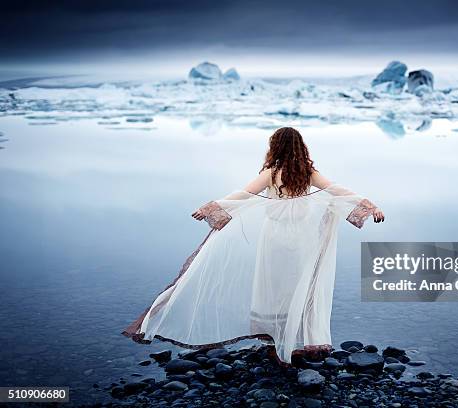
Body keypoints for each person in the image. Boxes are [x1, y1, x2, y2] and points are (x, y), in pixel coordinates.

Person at [123, 127, 384, 366]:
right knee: (297, 287)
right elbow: (338, 190)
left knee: (273, 288)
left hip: (275, 239)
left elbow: (244, 195)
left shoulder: (271, 173)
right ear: (299, 147)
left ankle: (275, 340)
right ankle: (292, 341)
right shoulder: (308, 172)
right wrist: (371, 207)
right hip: (302, 240)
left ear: (275, 147)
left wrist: (210, 208)